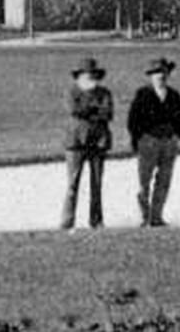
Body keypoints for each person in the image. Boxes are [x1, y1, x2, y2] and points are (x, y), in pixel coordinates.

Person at [127, 57, 180, 227]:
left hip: (168, 142)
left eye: (163, 72)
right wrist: (138, 140)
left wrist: (177, 136)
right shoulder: (143, 94)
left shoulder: (174, 95)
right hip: (149, 141)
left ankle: (156, 216)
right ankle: (144, 216)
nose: (160, 76)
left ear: (168, 74)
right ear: (151, 76)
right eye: (156, 73)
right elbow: (133, 120)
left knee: (164, 181)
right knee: (143, 182)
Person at [61, 57, 114, 231]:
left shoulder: (104, 93)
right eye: (86, 74)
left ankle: (96, 220)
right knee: (72, 183)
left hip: (98, 141)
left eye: (91, 74)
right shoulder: (72, 91)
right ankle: (68, 221)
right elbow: (74, 110)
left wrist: (90, 111)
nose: (89, 77)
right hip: (76, 142)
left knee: (97, 184)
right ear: (80, 75)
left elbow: (108, 113)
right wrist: (94, 110)